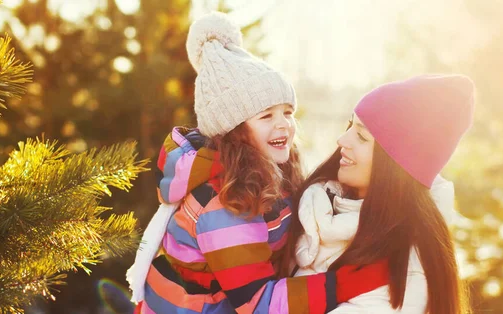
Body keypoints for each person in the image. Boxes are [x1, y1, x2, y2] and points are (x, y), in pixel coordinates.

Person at [126, 12, 389, 314]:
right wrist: (345, 283)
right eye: (266, 116)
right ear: (234, 131)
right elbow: (259, 303)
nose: (284, 125)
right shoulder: (224, 203)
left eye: (287, 112)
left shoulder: (271, 169)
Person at [284, 74, 475, 313]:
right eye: (349, 126)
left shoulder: (406, 267)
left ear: (396, 167)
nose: (341, 139)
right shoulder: (313, 204)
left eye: (362, 136)